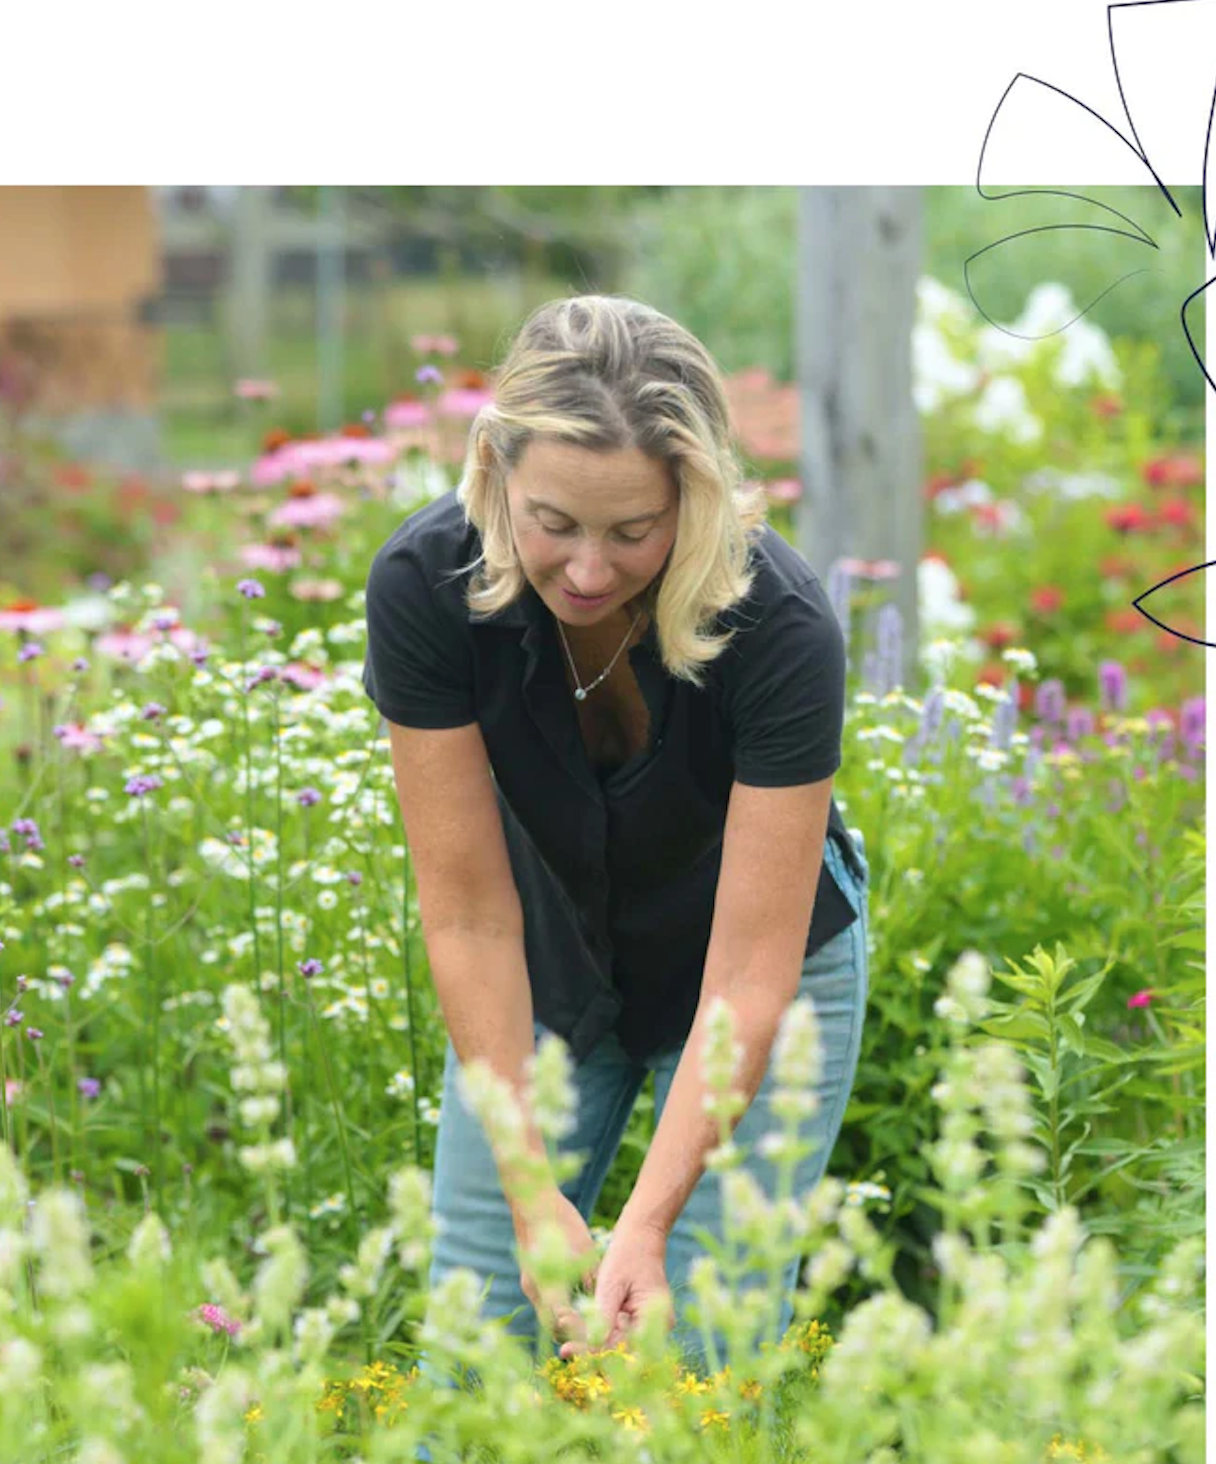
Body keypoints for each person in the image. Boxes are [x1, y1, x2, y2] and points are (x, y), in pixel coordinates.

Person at [361, 294, 870, 1396]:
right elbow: (466, 913)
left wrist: (641, 1225)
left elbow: (746, 973)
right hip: (544, 962)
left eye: (632, 531)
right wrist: (527, 1189)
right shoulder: (425, 588)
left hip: (753, 979)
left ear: (692, 500)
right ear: (494, 473)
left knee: (695, 1357)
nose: (587, 571)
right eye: (553, 522)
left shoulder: (776, 628)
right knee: (473, 1347)